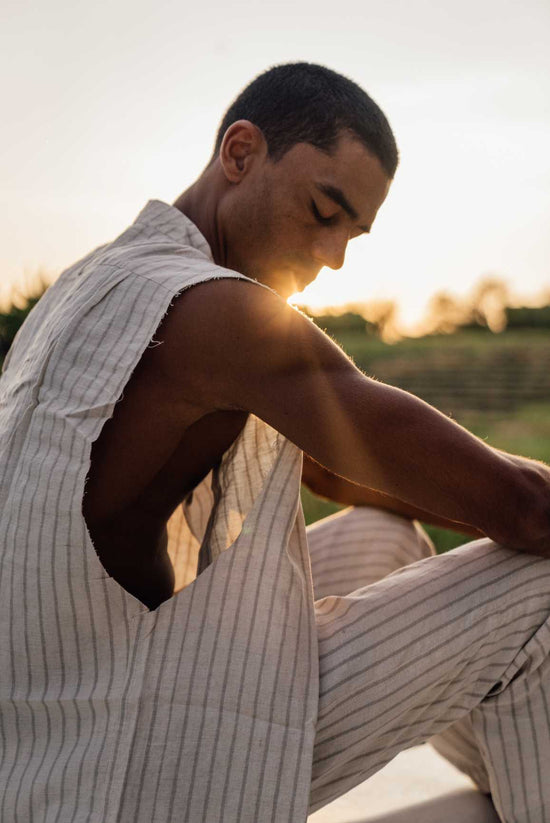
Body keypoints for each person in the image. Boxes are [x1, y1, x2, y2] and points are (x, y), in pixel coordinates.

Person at [1, 62, 550, 823]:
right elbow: (523, 507)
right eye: (325, 211)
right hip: (131, 757)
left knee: (383, 535)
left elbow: (335, 470)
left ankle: (515, 760)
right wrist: (515, 492)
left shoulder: (93, 281)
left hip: (42, 721)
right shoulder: (215, 314)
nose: (332, 256)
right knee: (541, 588)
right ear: (240, 153)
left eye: (351, 235)